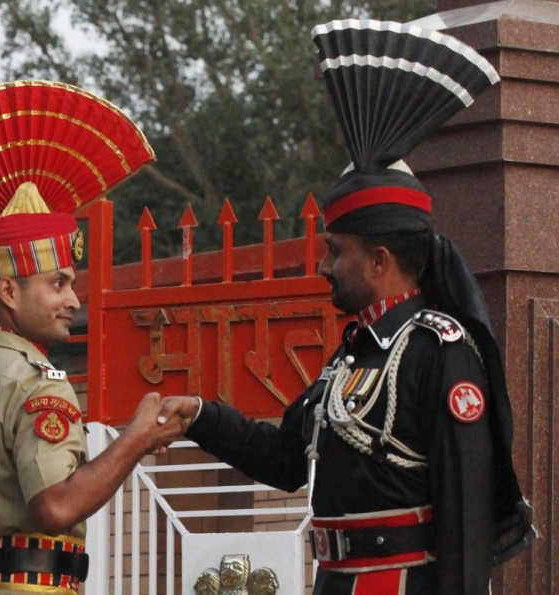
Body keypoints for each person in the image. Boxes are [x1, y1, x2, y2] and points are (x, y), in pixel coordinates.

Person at [165, 19, 535, 595]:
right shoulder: (352, 356)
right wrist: (201, 417)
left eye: (335, 252)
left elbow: (466, 523)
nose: (321, 267)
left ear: (380, 261)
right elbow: (289, 459)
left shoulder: (441, 351)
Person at [0, 81, 190, 594]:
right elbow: (54, 507)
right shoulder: (37, 385)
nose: (74, 300)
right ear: (8, 290)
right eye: (59, 283)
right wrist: (137, 438)